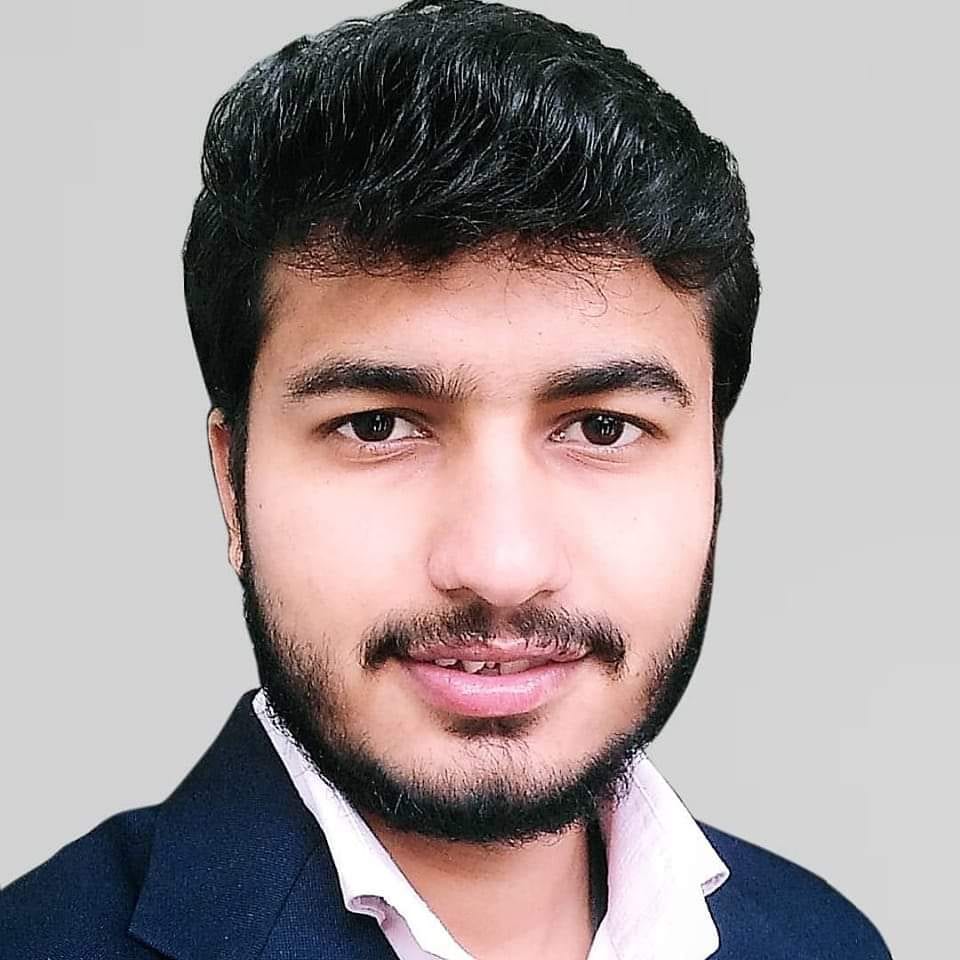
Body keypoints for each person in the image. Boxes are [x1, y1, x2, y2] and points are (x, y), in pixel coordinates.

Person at [0, 2, 892, 957]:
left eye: (603, 428)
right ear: (232, 485)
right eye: (377, 426)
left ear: (713, 476)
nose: (500, 565)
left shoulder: (825, 940)